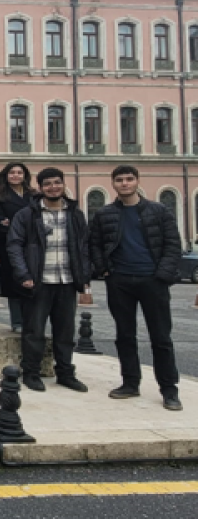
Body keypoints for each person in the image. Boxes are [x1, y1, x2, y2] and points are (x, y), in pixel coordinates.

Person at [89, 165, 183, 411]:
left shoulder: (159, 211)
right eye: (119, 180)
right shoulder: (104, 214)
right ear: (113, 184)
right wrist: (105, 270)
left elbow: (173, 244)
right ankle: (130, 383)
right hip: (120, 281)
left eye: (129, 179)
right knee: (124, 335)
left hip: (152, 281)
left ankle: (169, 390)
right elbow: (95, 244)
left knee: (161, 338)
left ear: (137, 181)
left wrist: (162, 275)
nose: (124, 183)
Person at [7, 168, 90, 394]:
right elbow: (14, 245)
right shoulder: (28, 214)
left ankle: (65, 373)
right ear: (40, 187)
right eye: (48, 184)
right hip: (38, 281)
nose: (53, 187)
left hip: (67, 280)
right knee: (34, 331)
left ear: (63, 185)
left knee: (65, 332)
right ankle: (31, 373)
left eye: (57, 183)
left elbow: (84, 246)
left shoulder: (75, 214)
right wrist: (23, 274)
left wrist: (84, 276)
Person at [0, 161, 34, 332]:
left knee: (32, 282)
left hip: (32, 245)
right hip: (9, 245)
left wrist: (12, 221)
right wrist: (11, 225)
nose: (16, 175)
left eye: (19, 172)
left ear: (25, 176)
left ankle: (31, 320)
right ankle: (16, 321)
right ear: (6, 176)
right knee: (14, 284)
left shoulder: (33, 196)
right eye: (12, 173)